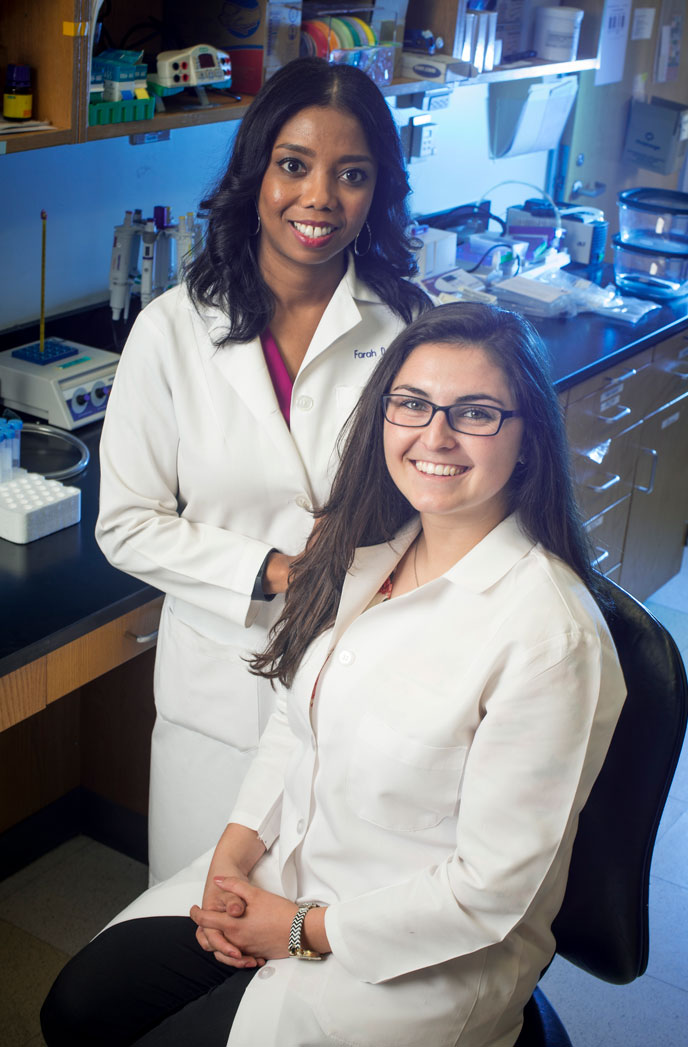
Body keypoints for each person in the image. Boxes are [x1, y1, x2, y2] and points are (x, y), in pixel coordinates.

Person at [44, 302, 626, 1047]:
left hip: (411, 968)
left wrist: (297, 929)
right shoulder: (372, 558)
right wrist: (236, 846)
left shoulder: (551, 638)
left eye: (476, 413)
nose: (435, 434)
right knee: (77, 1008)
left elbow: (490, 890)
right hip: (287, 882)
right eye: (413, 403)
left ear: (531, 437)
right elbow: (297, 726)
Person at [95, 57, 430, 882]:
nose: (319, 198)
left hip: (364, 680)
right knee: (195, 926)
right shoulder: (173, 330)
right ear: (255, 173)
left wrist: (385, 528)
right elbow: (126, 523)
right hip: (219, 690)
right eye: (294, 166)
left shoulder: (411, 326)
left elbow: (445, 491)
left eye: (352, 175)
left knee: (322, 948)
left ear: (378, 189)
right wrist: (277, 571)